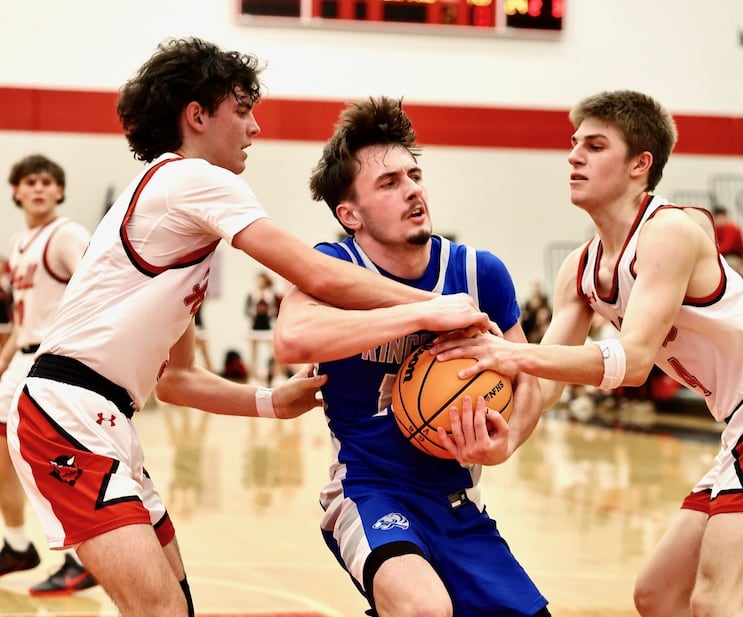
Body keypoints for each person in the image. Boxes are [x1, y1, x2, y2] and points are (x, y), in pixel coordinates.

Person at [5, 39, 489, 617]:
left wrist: (270, 402)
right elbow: (316, 272)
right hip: (67, 413)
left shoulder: (183, 219)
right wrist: (433, 307)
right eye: (242, 110)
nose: (255, 127)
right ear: (198, 115)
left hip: (106, 418)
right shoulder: (191, 179)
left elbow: (177, 380)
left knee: (173, 609)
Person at [431, 90, 743, 617]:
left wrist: (512, 355)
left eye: (595, 145)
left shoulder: (669, 231)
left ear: (639, 165)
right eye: (574, 143)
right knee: (658, 595)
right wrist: (506, 439)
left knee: (720, 600)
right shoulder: (579, 269)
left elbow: (633, 362)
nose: (574, 156)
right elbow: (549, 379)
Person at [274, 96, 550, 617]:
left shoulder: (478, 273)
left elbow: (527, 374)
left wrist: (507, 441)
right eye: (389, 183)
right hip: (368, 490)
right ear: (349, 214)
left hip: (457, 498)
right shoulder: (334, 267)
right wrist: (422, 314)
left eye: (413, 175)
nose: (413, 190)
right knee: (424, 609)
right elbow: (292, 338)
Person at [0, 155, 99, 595]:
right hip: (21, 358)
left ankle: (81, 559)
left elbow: (97, 289)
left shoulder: (67, 235)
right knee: (5, 456)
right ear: (16, 191)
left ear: (59, 191)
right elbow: (25, 320)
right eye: (29, 182)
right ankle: (18, 544)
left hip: (52, 363)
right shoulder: (20, 241)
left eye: (46, 182)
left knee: (54, 461)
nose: (38, 188)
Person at [244, 270, 280, 380]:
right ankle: (252, 377)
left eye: (260, 280)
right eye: (257, 280)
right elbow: (246, 310)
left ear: (265, 281)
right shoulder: (252, 294)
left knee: (275, 354)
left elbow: (277, 310)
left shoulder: (272, 294)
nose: (258, 282)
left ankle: (278, 376)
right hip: (255, 327)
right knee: (253, 355)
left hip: (267, 327)